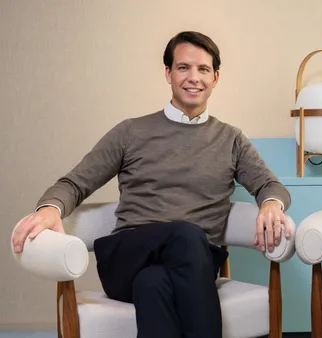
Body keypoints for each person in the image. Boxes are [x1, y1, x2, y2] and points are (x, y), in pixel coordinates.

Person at [11, 31, 291, 338]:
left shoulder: (231, 139)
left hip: (192, 264)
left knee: (153, 284)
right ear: (168, 73)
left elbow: (270, 185)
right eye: (183, 68)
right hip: (129, 255)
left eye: (203, 69)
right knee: (185, 234)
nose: (193, 77)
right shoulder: (131, 132)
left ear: (216, 78)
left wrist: (271, 204)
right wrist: (50, 208)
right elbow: (75, 182)